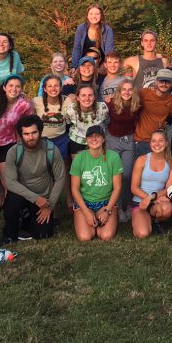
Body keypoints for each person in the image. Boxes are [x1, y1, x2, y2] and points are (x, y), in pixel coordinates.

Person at [3, 115, 66, 243]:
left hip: (44, 198)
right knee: (12, 200)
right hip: (22, 196)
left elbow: (60, 178)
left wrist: (50, 206)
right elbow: (10, 183)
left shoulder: (51, 150)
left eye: (34, 133)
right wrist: (35, 199)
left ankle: (26, 219)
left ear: (40, 132)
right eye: (26, 134)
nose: (30, 137)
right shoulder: (13, 152)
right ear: (20, 135)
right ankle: (10, 234)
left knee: (44, 234)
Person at [69, 125, 123, 242]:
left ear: (103, 139)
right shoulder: (79, 158)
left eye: (97, 136)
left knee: (105, 236)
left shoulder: (114, 157)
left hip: (106, 202)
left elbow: (117, 187)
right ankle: (87, 217)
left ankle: (110, 215)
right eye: (90, 137)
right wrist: (86, 211)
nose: (94, 139)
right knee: (85, 237)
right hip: (85, 202)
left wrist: (108, 210)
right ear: (86, 140)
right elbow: (74, 189)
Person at [130, 129, 172, 239]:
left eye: (160, 141)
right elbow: (134, 188)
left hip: (157, 200)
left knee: (167, 209)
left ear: (166, 143)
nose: (157, 144)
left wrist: (152, 197)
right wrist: (147, 198)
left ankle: (156, 221)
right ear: (150, 143)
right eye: (153, 141)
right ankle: (142, 220)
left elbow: (169, 188)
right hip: (140, 202)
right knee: (143, 233)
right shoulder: (142, 160)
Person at [106, 79, 140, 216]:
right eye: (123, 89)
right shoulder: (111, 104)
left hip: (129, 140)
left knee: (126, 174)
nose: (127, 92)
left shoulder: (137, 105)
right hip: (112, 139)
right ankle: (118, 207)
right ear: (119, 92)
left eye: (130, 89)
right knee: (115, 174)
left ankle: (127, 205)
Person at [135, 68, 172, 156]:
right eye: (161, 81)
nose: (164, 84)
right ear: (155, 82)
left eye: (167, 82)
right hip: (143, 140)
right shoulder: (144, 93)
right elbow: (128, 100)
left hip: (159, 141)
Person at [63, 84, 109, 159]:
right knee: (79, 167)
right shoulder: (70, 110)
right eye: (83, 95)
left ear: (94, 97)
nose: (87, 99)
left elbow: (106, 121)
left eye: (90, 95)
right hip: (77, 140)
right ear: (77, 97)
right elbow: (67, 123)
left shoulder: (103, 108)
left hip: (97, 140)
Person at [33, 75, 71, 159]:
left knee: (60, 166)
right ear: (45, 89)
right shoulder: (36, 101)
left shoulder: (67, 100)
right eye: (49, 86)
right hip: (42, 140)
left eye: (56, 86)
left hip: (61, 140)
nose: (53, 89)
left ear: (61, 88)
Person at [70, 4, 114, 68]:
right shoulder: (81, 28)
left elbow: (109, 52)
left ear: (101, 16)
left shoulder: (107, 30)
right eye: (91, 14)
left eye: (97, 14)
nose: (94, 16)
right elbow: (77, 49)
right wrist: (74, 67)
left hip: (101, 65)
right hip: (83, 65)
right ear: (87, 16)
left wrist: (105, 67)